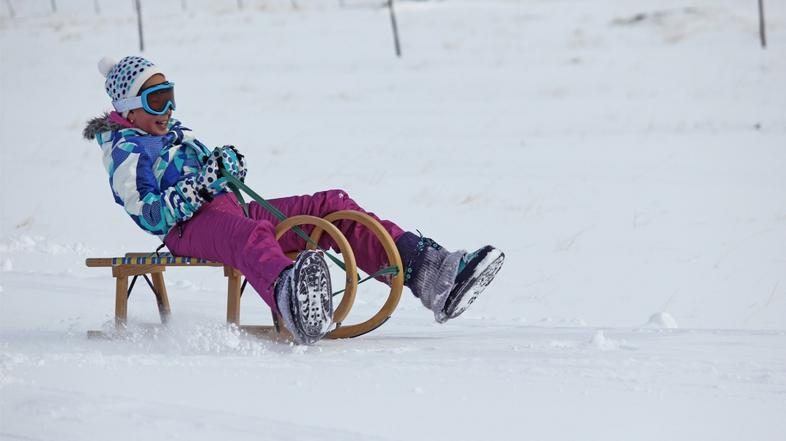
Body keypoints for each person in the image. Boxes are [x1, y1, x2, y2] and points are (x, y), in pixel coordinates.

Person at [83, 56, 505, 345]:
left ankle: (432, 273)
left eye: (172, 95)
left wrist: (224, 169)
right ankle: (293, 298)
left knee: (331, 204)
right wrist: (202, 188)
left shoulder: (178, 136)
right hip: (186, 228)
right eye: (157, 99)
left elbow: (216, 185)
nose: (169, 108)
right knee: (250, 234)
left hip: (229, 210)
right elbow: (149, 214)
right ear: (129, 108)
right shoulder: (126, 152)